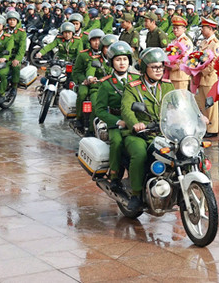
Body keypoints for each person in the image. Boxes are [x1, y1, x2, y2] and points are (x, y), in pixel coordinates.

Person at [120, 47, 176, 212]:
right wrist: (135, 124)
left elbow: (178, 105)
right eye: (154, 67)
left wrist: (198, 116)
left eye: (161, 67)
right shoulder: (133, 87)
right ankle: (136, 194)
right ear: (145, 68)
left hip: (163, 131)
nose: (159, 70)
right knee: (139, 154)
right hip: (140, 133)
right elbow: (127, 110)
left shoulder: (167, 86)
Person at [94, 40, 139, 192]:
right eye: (118, 59)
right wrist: (118, 121)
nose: (122, 63)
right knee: (117, 141)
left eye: (125, 59)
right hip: (117, 122)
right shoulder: (106, 84)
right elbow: (100, 110)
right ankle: (114, 176)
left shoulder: (136, 79)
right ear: (111, 62)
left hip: (136, 119)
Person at [72, 29, 109, 134]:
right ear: (90, 42)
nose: (97, 43)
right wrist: (85, 79)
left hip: (100, 83)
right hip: (85, 81)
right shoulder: (83, 55)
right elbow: (77, 72)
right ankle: (79, 117)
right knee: (82, 93)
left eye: (99, 40)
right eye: (94, 40)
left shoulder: (108, 56)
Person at [196, 17, 219, 138]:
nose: (202, 30)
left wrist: (202, 71)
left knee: (211, 105)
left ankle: (212, 128)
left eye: (204, 27)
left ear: (211, 29)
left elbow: (216, 61)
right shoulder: (203, 43)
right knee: (203, 104)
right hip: (201, 78)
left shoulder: (216, 44)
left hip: (210, 78)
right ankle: (206, 127)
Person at [168, 16, 193, 91]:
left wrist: (173, 67)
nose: (175, 30)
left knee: (181, 97)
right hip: (173, 75)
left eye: (177, 28)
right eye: (174, 28)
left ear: (184, 29)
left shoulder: (186, 41)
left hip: (181, 75)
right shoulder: (174, 41)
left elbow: (185, 59)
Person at [5, 10, 26, 96]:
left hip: (15, 55)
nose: (12, 21)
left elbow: (22, 47)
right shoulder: (4, 30)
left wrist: (17, 59)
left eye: (14, 20)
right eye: (10, 20)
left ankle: (14, 86)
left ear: (17, 21)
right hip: (5, 55)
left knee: (16, 67)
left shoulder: (21, 32)